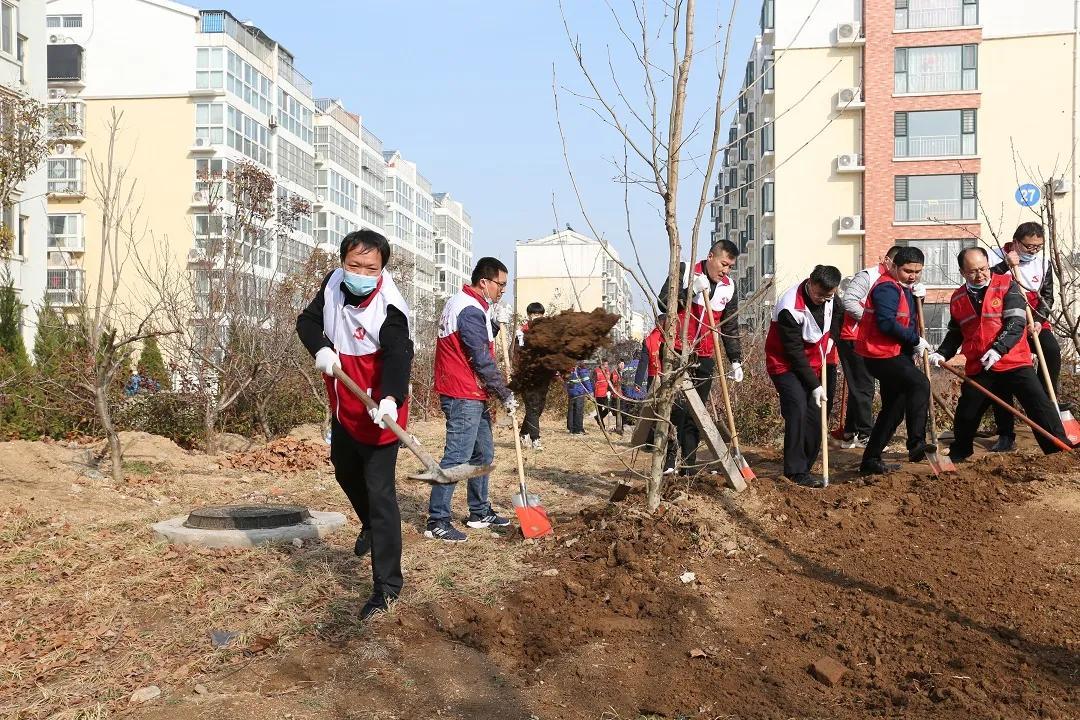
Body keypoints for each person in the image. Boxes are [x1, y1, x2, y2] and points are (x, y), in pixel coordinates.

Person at [296, 229, 413, 619]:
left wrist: (391, 399)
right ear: (343, 261)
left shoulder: (390, 307)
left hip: (381, 409)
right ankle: (369, 526)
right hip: (345, 402)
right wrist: (322, 348)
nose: (361, 271)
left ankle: (387, 587)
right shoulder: (332, 283)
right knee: (344, 469)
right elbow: (307, 321)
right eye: (354, 264)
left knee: (381, 495)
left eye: (370, 267)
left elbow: (399, 354)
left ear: (382, 269)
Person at [928, 247, 1069, 460]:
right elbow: (956, 332)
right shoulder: (958, 298)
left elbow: (1016, 323)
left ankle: (1059, 451)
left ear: (988, 265)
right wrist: (942, 353)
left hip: (1014, 361)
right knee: (967, 413)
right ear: (962, 271)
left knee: (1039, 405)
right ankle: (960, 452)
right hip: (980, 365)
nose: (980, 275)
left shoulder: (1007, 286)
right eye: (973, 271)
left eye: (983, 269)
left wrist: (998, 349)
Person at [426, 257, 517, 543]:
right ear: (484, 282)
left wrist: (495, 322)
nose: (502, 290)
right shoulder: (468, 310)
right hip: (462, 393)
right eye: (500, 285)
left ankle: (479, 511)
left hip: (473, 393)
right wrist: (505, 393)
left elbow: (478, 340)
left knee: (483, 455)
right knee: (457, 458)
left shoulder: (471, 305)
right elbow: (480, 357)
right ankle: (437, 520)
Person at [658, 240, 743, 474]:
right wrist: (690, 291)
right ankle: (668, 460)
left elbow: (730, 326)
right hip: (677, 351)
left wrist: (735, 358)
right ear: (710, 257)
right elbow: (663, 302)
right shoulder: (685, 271)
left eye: (730, 267)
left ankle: (688, 465)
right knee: (676, 409)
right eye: (724, 264)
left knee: (697, 413)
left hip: (705, 354)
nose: (726, 270)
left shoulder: (729, 287)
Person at [855, 246, 934, 476]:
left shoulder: (905, 288)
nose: (913, 276)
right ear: (894, 267)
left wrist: (919, 297)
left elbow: (907, 317)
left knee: (894, 407)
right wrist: (916, 340)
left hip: (895, 353)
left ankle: (870, 460)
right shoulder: (886, 288)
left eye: (917, 272)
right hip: (879, 354)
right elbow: (887, 323)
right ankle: (916, 444)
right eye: (908, 271)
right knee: (919, 384)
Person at [764, 265, 841, 488]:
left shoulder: (832, 298)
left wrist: (831, 340)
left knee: (818, 413)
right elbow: (794, 353)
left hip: (821, 359)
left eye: (827, 296)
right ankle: (795, 471)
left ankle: (807, 466)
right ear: (810, 282)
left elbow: (838, 315)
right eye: (818, 294)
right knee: (797, 406)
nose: (821, 299)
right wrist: (814, 385)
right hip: (785, 364)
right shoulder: (789, 307)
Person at [988, 222, 1062, 452]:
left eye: (1038, 247)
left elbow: (1047, 295)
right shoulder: (993, 256)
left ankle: (1044, 398)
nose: (1033, 251)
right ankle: (1005, 434)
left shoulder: (1044, 262)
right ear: (1016, 241)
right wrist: (1006, 266)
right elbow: (985, 282)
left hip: (1035, 319)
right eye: (1029, 246)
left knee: (1051, 351)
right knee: (1004, 374)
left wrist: (1038, 321)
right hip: (1006, 321)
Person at [836, 246, 902, 448]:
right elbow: (849, 301)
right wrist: (873, 321)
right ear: (888, 261)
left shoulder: (899, 282)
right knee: (864, 386)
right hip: (855, 336)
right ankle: (866, 434)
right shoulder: (868, 276)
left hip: (878, 340)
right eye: (899, 265)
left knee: (861, 385)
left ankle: (849, 432)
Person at [517, 302, 548, 450]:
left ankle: (524, 433)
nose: (537, 318)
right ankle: (535, 439)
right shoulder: (522, 332)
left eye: (540, 315)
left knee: (538, 408)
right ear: (529, 315)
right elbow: (516, 353)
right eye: (535, 315)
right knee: (532, 406)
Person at [565, 361, 593, 434]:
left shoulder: (569, 370)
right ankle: (578, 429)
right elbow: (586, 381)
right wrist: (590, 392)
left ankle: (571, 428)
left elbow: (566, 382)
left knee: (571, 411)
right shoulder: (581, 370)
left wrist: (568, 391)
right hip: (579, 393)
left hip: (571, 393)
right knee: (579, 411)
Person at [592, 359, 613, 429]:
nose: (606, 366)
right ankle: (602, 425)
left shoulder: (607, 371)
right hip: (598, 394)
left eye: (607, 365)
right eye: (605, 365)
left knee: (609, 407)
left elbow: (609, 381)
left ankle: (598, 418)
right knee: (599, 410)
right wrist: (592, 393)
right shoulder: (596, 371)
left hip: (605, 394)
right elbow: (593, 382)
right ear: (601, 364)